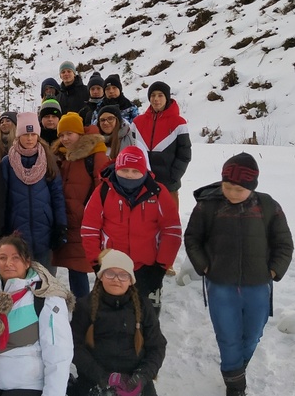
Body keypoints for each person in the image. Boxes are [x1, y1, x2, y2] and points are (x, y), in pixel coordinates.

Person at [184, 153, 293, 396]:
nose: (232, 193)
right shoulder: (208, 206)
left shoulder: (267, 206)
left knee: (254, 334)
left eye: (239, 189)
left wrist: (275, 269)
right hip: (220, 285)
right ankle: (235, 386)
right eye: (227, 186)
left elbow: (284, 243)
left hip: (258, 285)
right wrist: (204, 266)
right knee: (228, 336)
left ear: (252, 187)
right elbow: (192, 239)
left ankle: (236, 368)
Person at [0, 234, 74, 396]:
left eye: (15, 258)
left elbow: (59, 354)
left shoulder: (45, 296)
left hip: (28, 384)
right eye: (2, 258)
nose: (8, 263)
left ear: (27, 262)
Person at [81, 146, 182, 314]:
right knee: (110, 317)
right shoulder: (103, 191)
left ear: (144, 171)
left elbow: (172, 231)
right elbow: (89, 229)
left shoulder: (158, 192)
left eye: (135, 171)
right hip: (112, 267)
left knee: (146, 317)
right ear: (117, 169)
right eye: (124, 170)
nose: (129, 175)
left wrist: (161, 266)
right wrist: (96, 262)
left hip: (147, 267)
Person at [71, 249, 167, 396]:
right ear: (101, 276)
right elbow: (75, 347)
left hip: (134, 379)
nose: (116, 279)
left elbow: (157, 346)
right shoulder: (85, 306)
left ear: (130, 280)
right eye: (110, 273)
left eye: (123, 275)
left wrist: (142, 377)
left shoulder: (143, 306)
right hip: (95, 378)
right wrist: (102, 377)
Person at [51, 112, 111, 299]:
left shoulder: (95, 155)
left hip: (85, 223)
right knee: (74, 268)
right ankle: (82, 311)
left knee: (81, 269)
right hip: (68, 221)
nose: (65, 139)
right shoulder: (62, 156)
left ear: (80, 133)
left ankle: (87, 312)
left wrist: (92, 216)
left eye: (69, 133)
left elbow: (104, 190)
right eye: (61, 135)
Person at [1, 112, 66, 274]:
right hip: (17, 233)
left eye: (33, 134)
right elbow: (3, 199)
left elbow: (57, 195)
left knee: (46, 283)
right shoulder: (7, 162)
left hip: (45, 232)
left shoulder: (48, 159)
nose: (29, 138)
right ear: (18, 136)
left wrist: (61, 225)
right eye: (25, 134)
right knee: (20, 284)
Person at [130, 81, 192, 208]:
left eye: (160, 95)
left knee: (169, 219)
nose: (156, 99)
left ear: (167, 97)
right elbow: (130, 148)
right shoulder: (137, 122)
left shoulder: (179, 123)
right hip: (142, 180)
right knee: (143, 219)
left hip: (168, 183)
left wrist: (174, 176)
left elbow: (184, 153)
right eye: (152, 95)